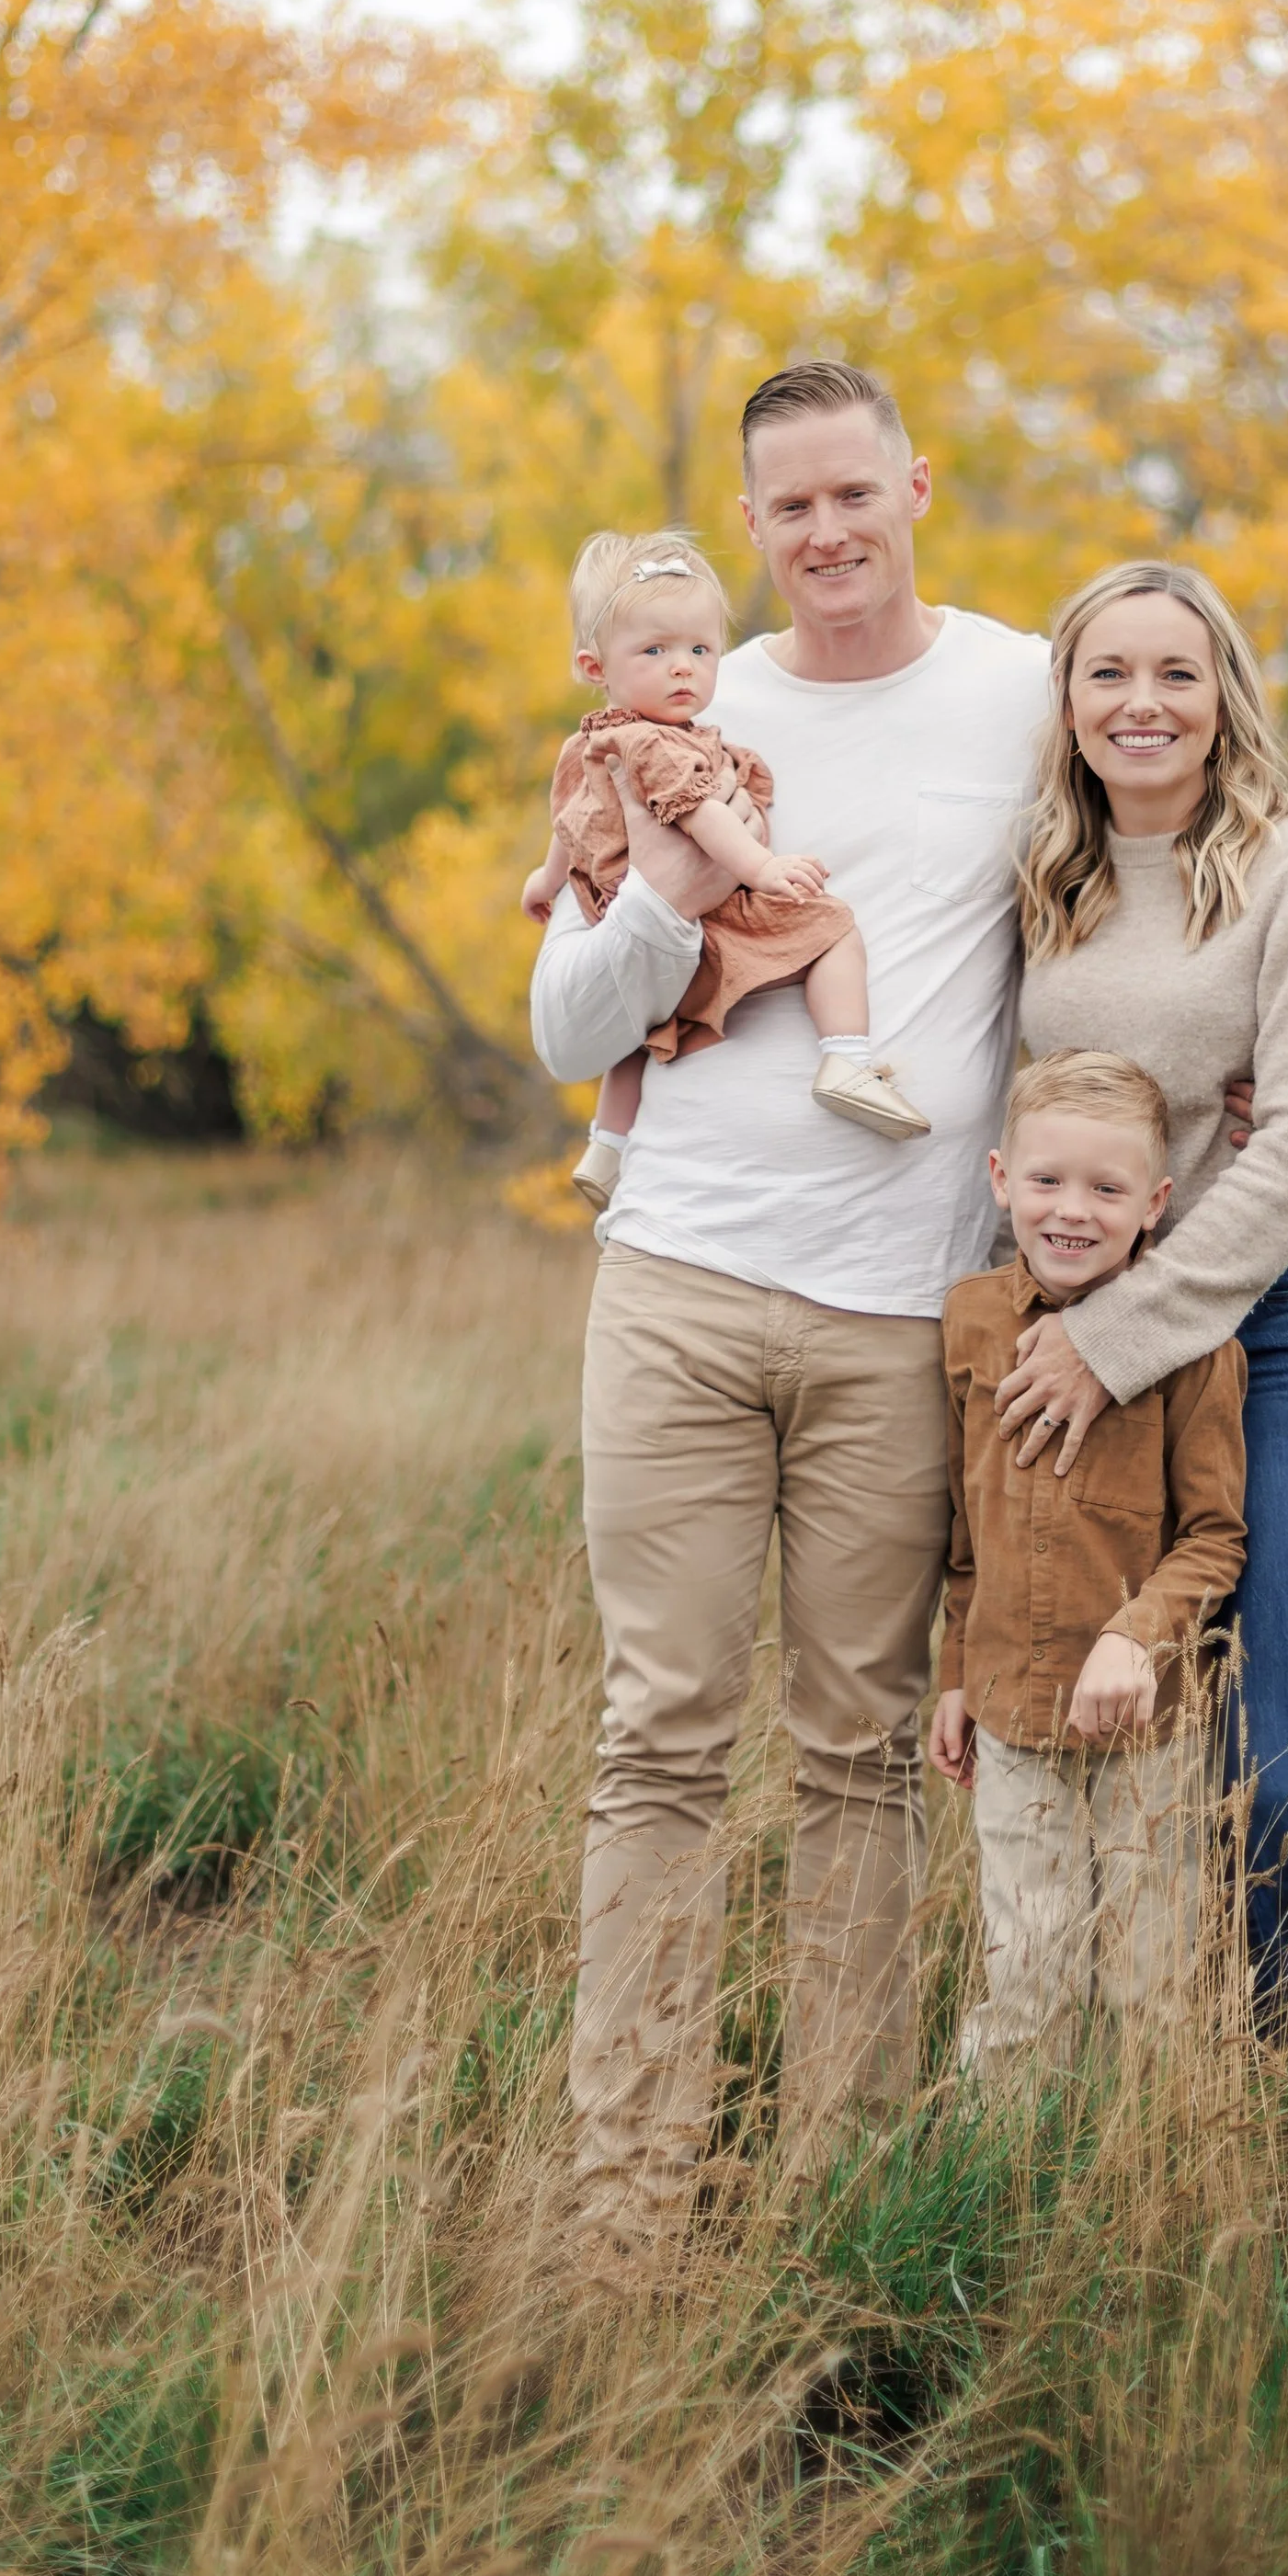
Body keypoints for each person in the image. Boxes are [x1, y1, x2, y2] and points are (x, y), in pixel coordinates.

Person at [529, 360, 1052, 2256]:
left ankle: (844, 2201)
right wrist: (664, 897)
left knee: (856, 1758)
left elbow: (1172, 830)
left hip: (896, 1324)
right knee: (657, 1741)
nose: (826, 535)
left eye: (856, 495)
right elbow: (566, 1029)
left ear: (913, 484)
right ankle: (627, 2213)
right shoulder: (677, 704)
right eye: (788, 509)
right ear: (747, 528)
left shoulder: (1015, 688)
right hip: (674, 1286)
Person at [999, 560, 1288, 2312]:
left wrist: (1118, 1341)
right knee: (1155, 1793)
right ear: (1067, 702)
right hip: (1085, 1352)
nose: (1140, 703)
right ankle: (1257, 2153)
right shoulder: (1040, 882)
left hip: (1270, 1334)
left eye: (1173, 673)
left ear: (1223, 692)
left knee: (1284, 1765)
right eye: (1105, 672)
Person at [929, 1050, 1244, 2071]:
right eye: (1046, 1180)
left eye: (1107, 1189)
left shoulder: (1193, 1344)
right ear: (999, 1181)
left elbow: (1215, 1536)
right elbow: (964, 1529)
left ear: (1154, 1204)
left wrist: (1134, 1636)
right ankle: (1003, 2199)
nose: (1073, 1212)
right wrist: (953, 1676)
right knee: (1029, 1975)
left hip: (1149, 1729)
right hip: (1015, 1714)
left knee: (1149, 1986)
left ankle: (1144, 2190)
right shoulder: (970, 1321)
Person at [519, 527, 929, 1209]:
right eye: (655, 650)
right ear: (596, 668)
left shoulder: (585, 744)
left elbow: (569, 821)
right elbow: (701, 816)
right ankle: (848, 1058)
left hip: (613, 911)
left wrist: (547, 879)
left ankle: (609, 1143)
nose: (683, 667)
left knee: (641, 1030)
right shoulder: (658, 744)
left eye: (700, 650)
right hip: (694, 918)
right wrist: (764, 869)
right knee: (831, 928)